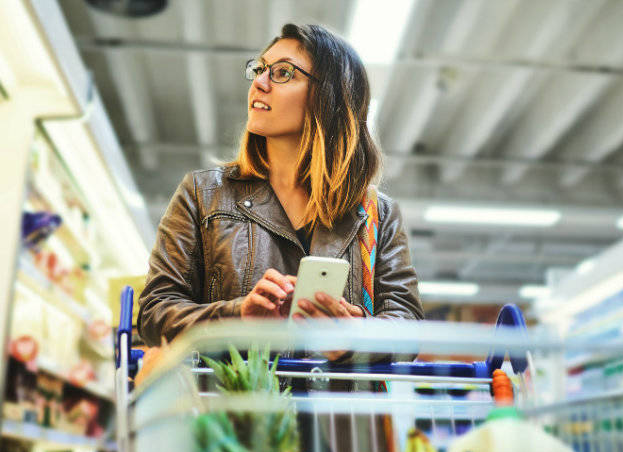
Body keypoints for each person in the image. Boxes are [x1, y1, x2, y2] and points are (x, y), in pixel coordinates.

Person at [137, 23, 423, 354]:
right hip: (233, 405)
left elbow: (408, 327)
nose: (259, 82)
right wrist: (238, 318)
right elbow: (152, 315)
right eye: (259, 69)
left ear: (330, 96)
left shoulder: (377, 214)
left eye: (283, 73)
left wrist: (353, 337)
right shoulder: (203, 194)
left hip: (335, 405)